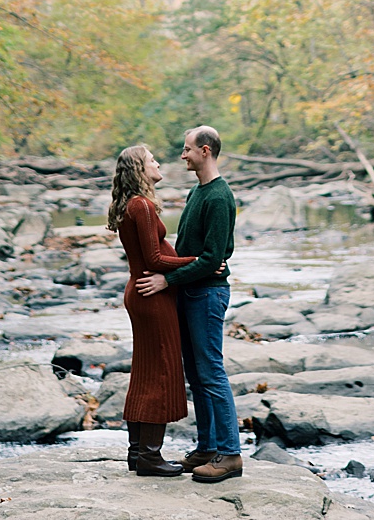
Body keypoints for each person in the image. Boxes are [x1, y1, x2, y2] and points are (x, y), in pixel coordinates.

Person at [134, 125, 240, 483]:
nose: (182, 155)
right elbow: (191, 251)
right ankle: (207, 448)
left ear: (205, 151)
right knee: (195, 374)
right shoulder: (199, 192)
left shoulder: (219, 196)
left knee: (211, 372)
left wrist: (168, 279)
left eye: (187, 149)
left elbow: (212, 258)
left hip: (208, 293)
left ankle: (230, 454)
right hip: (192, 291)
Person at [107, 143, 191, 476]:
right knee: (161, 371)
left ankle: (137, 453)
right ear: (140, 169)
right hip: (150, 295)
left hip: (141, 292)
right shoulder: (141, 206)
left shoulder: (134, 204)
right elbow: (155, 260)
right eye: (152, 160)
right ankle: (150, 458)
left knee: (144, 373)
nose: (159, 163)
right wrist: (199, 262)